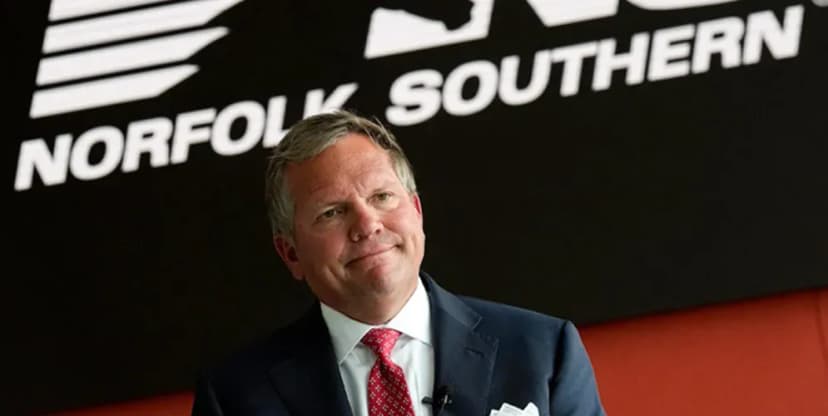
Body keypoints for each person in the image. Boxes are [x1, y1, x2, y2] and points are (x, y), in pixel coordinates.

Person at [192, 110, 606, 416]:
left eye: (382, 197)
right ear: (291, 253)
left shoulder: (543, 352)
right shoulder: (234, 397)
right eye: (332, 212)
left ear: (417, 212)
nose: (367, 224)